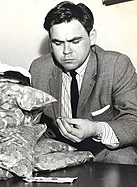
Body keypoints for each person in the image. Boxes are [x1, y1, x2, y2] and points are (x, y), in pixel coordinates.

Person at [29, 1, 137, 165]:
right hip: (58, 150)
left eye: (75, 41)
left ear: (91, 36)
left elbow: (133, 122)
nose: (66, 52)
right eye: (58, 43)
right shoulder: (39, 69)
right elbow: (34, 124)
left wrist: (95, 129)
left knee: (123, 160)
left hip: (104, 150)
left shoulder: (116, 65)